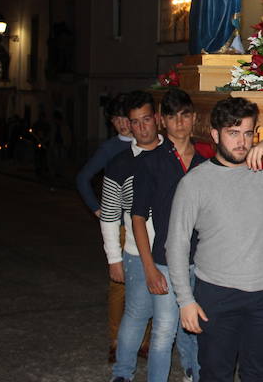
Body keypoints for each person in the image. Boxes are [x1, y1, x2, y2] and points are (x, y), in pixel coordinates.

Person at [166, 97, 263, 381]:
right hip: (217, 294)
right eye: (233, 132)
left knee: (258, 373)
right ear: (215, 135)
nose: (242, 141)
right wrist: (185, 300)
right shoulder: (195, 183)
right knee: (216, 374)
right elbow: (176, 244)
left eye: (248, 133)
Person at [130, 89, 205, 382]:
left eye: (185, 114)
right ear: (163, 121)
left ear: (194, 118)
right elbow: (137, 218)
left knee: (199, 329)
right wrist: (148, 268)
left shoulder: (205, 162)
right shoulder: (150, 162)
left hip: (203, 261)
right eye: (172, 116)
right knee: (163, 333)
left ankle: (194, 374)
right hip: (164, 261)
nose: (179, 122)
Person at [101, 92, 164, 382]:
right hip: (137, 254)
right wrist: (114, 259)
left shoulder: (175, 156)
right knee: (137, 315)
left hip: (174, 252)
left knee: (168, 323)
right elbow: (111, 216)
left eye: (147, 120)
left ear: (157, 118)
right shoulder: (119, 165)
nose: (142, 128)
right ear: (129, 124)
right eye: (135, 122)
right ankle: (123, 374)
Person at [75, 94, 137, 362]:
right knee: (119, 286)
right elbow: (83, 178)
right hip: (121, 225)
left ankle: (143, 341)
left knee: (147, 284)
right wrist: (98, 209)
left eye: (127, 117)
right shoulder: (110, 148)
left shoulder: (148, 142)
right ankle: (116, 341)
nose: (123, 124)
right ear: (112, 122)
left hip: (146, 223)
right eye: (117, 119)